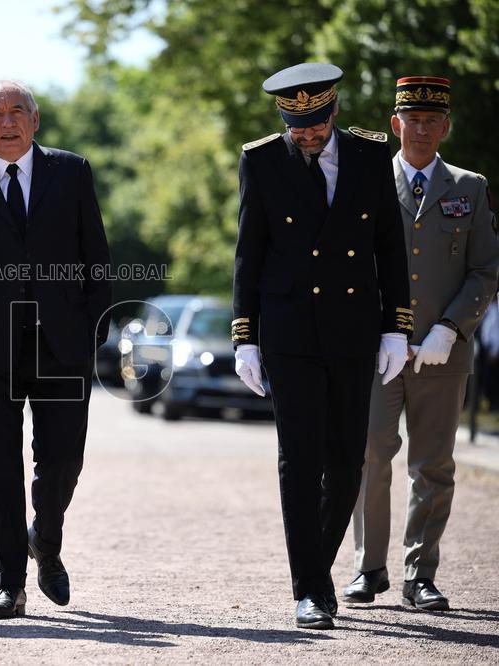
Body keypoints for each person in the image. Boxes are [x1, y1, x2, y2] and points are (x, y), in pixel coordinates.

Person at [231, 63, 411, 630]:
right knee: (300, 461)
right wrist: (245, 337)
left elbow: (389, 245)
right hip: (288, 332)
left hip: (354, 327)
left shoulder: (370, 155)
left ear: (333, 113)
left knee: (347, 460)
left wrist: (396, 326)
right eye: (295, 127)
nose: (305, 137)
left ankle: (317, 567)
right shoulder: (261, 160)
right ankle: (310, 588)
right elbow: (248, 253)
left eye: (314, 126)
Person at [0, 81, 112, 619]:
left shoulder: (72, 172)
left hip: (63, 348)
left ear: (35, 122)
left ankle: (45, 540)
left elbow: (96, 258)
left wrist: (92, 334)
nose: (7, 121)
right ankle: (8, 581)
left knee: (62, 461)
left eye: (17, 111)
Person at [345, 77, 499, 610]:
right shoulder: (365, 182)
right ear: (396, 125)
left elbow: (484, 270)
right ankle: (369, 567)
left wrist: (451, 328)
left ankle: (420, 573)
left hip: (442, 351)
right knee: (370, 456)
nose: (423, 130)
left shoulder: (469, 187)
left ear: (446, 127)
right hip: (378, 352)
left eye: (434, 121)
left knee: (432, 464)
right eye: (414, 120)